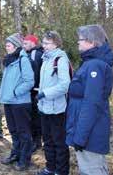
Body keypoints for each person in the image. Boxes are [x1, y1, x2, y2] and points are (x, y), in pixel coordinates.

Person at [66, 25, 113, 175]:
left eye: (80, 40)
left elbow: (91, 104)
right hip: (87, 131)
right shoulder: (90, 63)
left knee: (92, 170)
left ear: (92, 42)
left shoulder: (95, 66)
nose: (78, 43)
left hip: (90, 135)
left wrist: (80, 137)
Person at [36, 31, 71, 175]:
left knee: (59, 142)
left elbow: (65, 85)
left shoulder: (60, 59)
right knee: (48, 141)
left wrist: (46, 93)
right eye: (43, 43)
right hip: (44, 107)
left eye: (47, 43)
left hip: (57, 109)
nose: (43, 46)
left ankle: (61, 171)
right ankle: (50, 168)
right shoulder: (46, 59)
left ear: (56, 44)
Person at [0, 33, 35, 171]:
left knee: (23, 132)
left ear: (15, 46)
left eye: (8, 46)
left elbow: (29, 81)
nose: (6, 48)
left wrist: (15, 92)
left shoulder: (23, 60)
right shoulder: (9, 61)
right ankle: (16, 154)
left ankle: (24, 159)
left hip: (20, 102)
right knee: (13, 131)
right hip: (9, 101)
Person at [22, 34, 44, 152]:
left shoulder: (35, 54)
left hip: (35, 91)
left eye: (26, 43)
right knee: (34, 117)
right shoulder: (31, 53)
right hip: (35, 91)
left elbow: (34, 74)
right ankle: (36, 140)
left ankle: (36, 142)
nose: (24, 46)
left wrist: (31, 88)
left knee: (35, 117)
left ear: (32, 43)